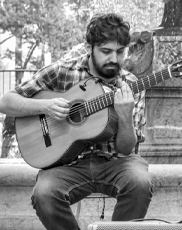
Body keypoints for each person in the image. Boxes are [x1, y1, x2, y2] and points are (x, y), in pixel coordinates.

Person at [0, 13, 153, 230]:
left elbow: (127, 149)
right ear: (90, 47)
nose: (114, 59)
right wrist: (45, 106)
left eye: (120, 52)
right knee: (44, 193)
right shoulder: (63, 72)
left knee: (140, 183)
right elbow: (6, 102)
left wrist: (125, 116)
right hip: (68, 164)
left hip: (116, 162)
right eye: (106, 51)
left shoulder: (130, 84)